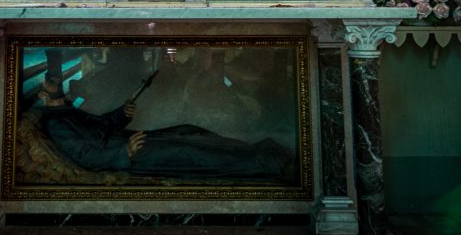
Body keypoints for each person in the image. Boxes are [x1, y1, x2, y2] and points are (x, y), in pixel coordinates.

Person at [37, 76, 294, 181]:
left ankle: (254, 151)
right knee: (190, 152)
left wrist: (120, 115)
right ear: (42, 94)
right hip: (130, 153)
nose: (55, 80)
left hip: (128, 141)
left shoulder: (66, 111)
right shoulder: (56, 122)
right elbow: (85, 156)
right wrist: (124, 152)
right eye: (50, 81)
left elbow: (100, 126)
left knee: (188, 131)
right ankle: (265, 162)